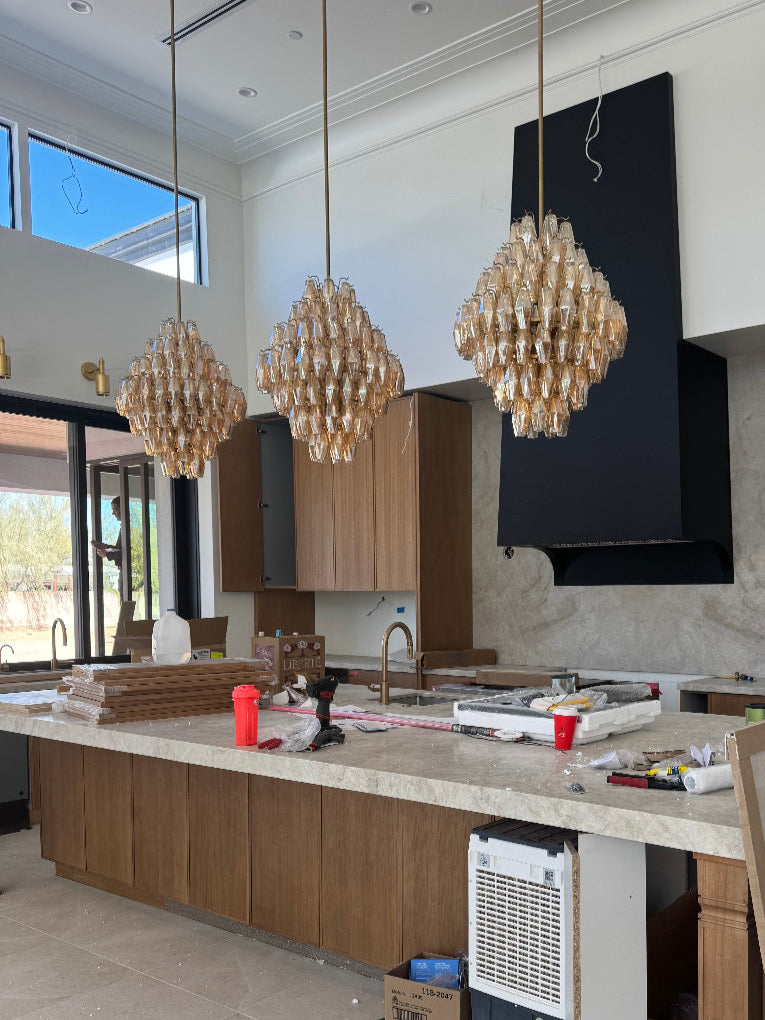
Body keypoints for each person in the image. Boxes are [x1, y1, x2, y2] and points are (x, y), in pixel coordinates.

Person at [92, 496, 123, 580]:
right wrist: (105, 547)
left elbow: (122, 553)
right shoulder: (124, 527)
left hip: (126, 571)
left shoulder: (128, 528)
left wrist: (106, 552)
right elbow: (119, 550)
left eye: (115, 509)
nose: (113, 513)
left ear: (123, 508)